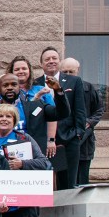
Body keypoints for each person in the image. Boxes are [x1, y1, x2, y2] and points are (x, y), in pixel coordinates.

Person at [34, 47, 88, 190]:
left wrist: (77, 133)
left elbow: (80, 110)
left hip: (68, 139)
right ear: (41, 64)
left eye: (54, 58)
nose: (51, 61)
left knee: (67, 184)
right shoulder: (34, 84)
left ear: (59, 61)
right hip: (42, 142)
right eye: (47, 59)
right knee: (43, 184)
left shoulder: (74, 81)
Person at [61, 58, 105, 185]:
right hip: (64, 140)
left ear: (78, 71)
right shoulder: (57, 88)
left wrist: (89, 122)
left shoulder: (88, 87)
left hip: (84, 142)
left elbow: (100, 109)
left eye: (71, 71)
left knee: (82, 179)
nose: (68, 75)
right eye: (65, 72)